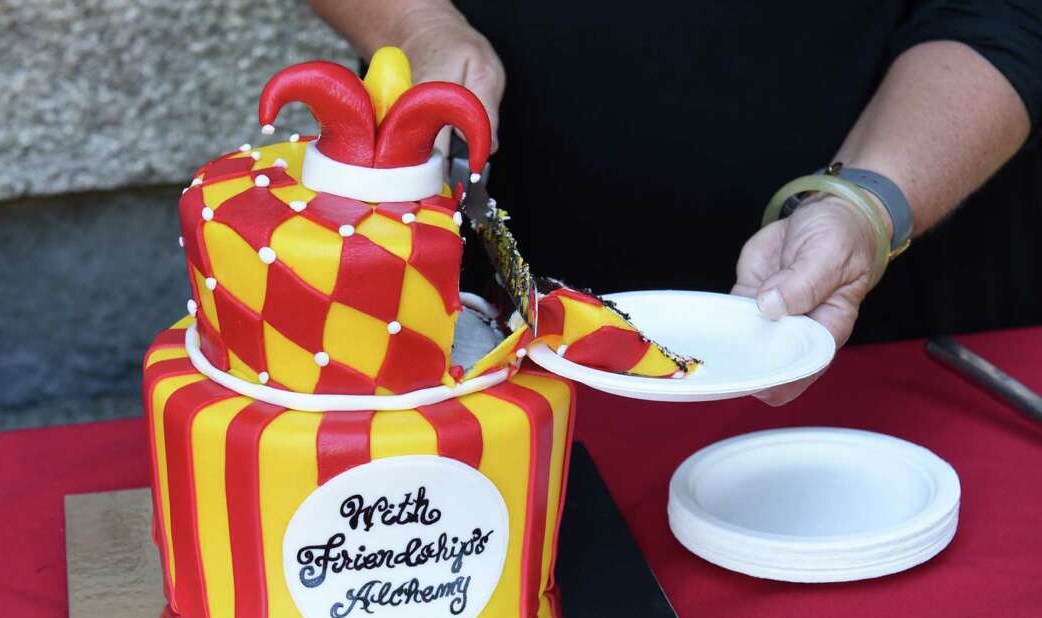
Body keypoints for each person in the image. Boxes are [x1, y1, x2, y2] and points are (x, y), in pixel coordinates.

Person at [309, 0, 1042, 403]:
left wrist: (868, 203)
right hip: (499, 351)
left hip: (892, 328)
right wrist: (420, 26)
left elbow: (1003, 12)